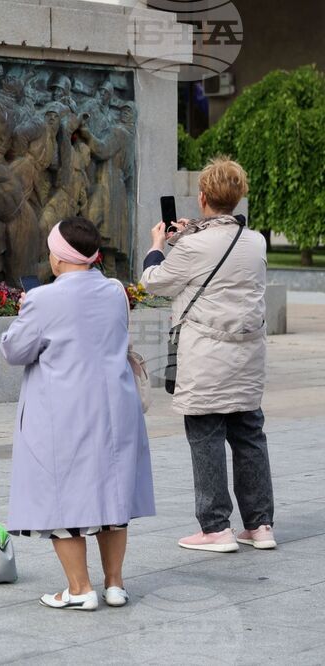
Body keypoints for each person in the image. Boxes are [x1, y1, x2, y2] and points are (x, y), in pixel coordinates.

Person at [0, 216, 155, 611]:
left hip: (64, 411)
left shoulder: (44, 298)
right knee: (112, 494)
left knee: (61, 496)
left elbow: (14, 350)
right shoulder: (115, 291)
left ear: (59, 258)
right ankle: (115, 584)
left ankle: (80, 587)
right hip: (115, 407)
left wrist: (25, 313)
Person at [140, 157, 276, 552]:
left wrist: (158, 245)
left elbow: (154, 282)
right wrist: (187, 240)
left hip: (207, 357)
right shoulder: (255, 240)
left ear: (202, 197)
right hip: (248, 355)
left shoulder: (194, 245)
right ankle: (260, 525)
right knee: (250, 434)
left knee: (206, 436)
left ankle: (216, 528)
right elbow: (218, 262)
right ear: (237, 197)